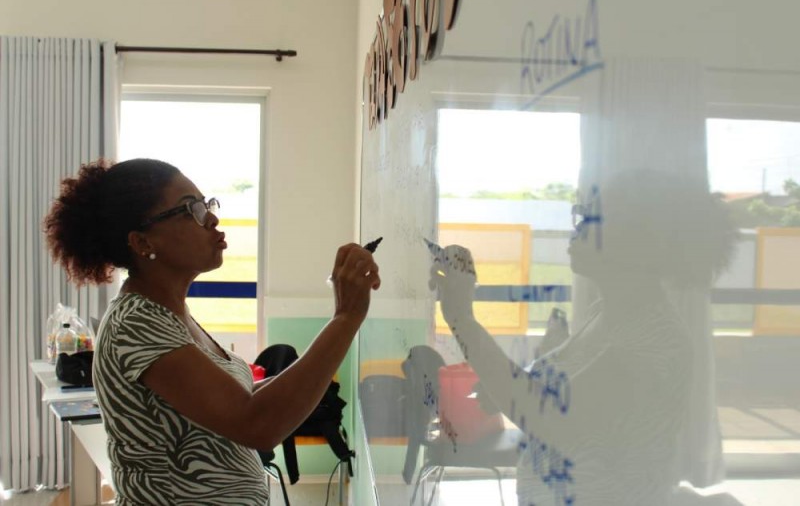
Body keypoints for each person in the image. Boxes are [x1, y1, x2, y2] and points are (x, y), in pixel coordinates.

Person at [44, 158, 380, 505]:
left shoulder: (170, 315)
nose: (212, 218)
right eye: (191, 209)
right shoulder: (137, 324)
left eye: (206, 205)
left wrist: (308, 381)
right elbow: (256, 424)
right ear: (142, 243)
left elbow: (223, 401)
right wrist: (346, 317)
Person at [429, 170, 737, 506]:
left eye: (590, 217)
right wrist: (501, 390)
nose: (576, 225)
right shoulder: (603, 314)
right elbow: (560, 401)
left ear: (636, 242)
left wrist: (461, 317)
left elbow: (546, 417)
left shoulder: (656, 339)